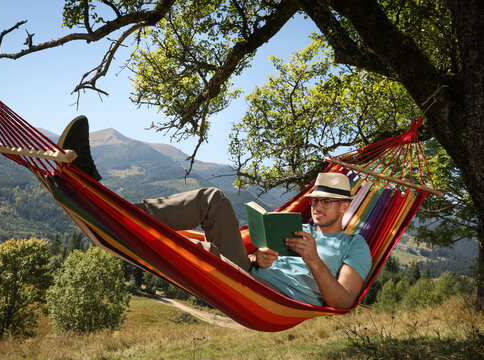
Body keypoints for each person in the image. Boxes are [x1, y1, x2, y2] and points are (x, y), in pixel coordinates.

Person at [58, 116, 372, 309]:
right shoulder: (298, 227)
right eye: (315, 200)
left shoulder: (354, 246)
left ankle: (114, 225)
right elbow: (254, 260)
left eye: (326, 202)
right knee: (214, 199)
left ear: (345, 206)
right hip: (246, 274)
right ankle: (117, 213)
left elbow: (343, 301)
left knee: (201, 251)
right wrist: (254, 259)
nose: (316, 206)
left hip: (265, 300)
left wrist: (314, 259)